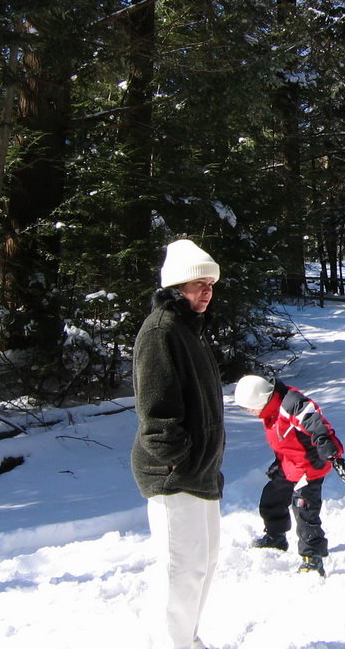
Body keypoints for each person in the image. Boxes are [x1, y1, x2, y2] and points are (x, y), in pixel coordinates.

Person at [131, 239, 224, 649]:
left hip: (201, 472)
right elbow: (156, 416)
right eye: (197, 284)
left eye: (210, 284)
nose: (206, 291)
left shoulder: (189, 330)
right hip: (174, 474)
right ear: (175, 287)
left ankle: (186, 640)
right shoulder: (160, 332)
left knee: (203, 565)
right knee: (180, 569)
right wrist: (178, 461)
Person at [234, 374, 345, 576]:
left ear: (260, 399)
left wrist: (335, 457)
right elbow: (285, 439)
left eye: (249, 407)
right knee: (272, 497)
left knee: (305, 511)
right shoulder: (271, 409)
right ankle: (276, 537)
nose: (250, 412)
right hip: (289, 464)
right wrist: (278, 462)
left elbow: (318, 426)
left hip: (309, 467)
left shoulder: (292, 404)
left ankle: (312, 558)